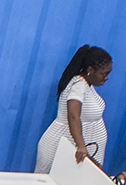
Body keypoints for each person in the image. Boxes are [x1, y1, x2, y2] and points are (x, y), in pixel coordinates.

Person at [35, 45, 113, 174]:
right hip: (61, 148)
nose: (106, 78)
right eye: (104, 74)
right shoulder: (79, 85)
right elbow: (73, 115)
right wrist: (80, 145)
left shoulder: (87, 84)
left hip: (72, 149)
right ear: (90, 70)